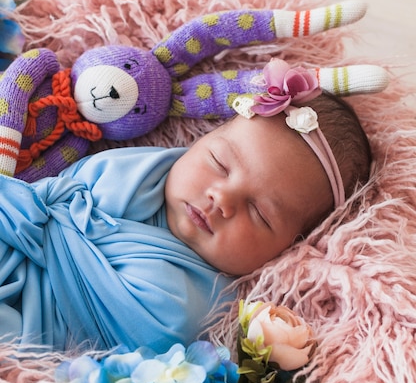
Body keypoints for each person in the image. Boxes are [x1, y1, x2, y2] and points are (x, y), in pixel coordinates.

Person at [0, 91, 371, 354]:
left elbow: (154, 338)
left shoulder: (195, 307)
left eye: (259, 212)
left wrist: (38, 219)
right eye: (219, 163)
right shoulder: (143, 170)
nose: (221, 198)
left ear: (291, 248)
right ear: (199, 141)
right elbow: (51, 193)